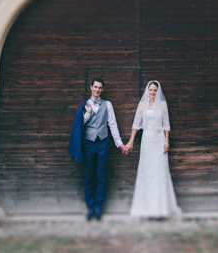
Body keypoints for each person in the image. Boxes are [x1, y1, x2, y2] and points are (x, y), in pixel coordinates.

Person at [68, 77, 127, 220]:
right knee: (88, 176)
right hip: (88, 144)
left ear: (102, 89)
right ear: (91, 87)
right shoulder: (85, 105)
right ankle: (90, 208)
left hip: (103, 143)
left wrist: (119, 143)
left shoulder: (108, 105)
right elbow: (79, 127)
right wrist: (87, 114)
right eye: (95, 87)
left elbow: (112, 125)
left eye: (100, 87)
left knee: (101, 176)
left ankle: (98, 208)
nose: (97, 89)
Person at [125, 80, 181, 218]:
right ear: (147, 91)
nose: (152, 92)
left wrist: (166, 141)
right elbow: (136, 124)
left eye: (155, 90)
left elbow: (166, 124)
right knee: (146, 171)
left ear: (158, 91)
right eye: (150, 90)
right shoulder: (142, 105)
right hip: (147, 139)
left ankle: (161, 208)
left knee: (160, 170)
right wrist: (131, 140)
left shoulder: (162, 105)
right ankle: (145, 208)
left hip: (159, 139)